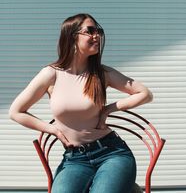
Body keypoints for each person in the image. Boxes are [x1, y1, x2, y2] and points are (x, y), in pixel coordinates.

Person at [9, 13, 153, 193]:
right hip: (74, 160)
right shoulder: (51, 74)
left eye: (98, 31)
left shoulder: (102, 74)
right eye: (90, 31)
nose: (97, 36)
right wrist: (52, 129)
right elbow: (16, 112)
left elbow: (145, 94)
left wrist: (109, 109)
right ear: (72, 37)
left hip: (111, 154)